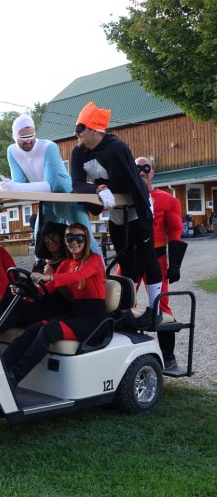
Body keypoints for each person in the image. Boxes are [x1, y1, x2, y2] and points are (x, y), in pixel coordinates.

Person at [71, 101, 163, 330]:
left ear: (94, 129)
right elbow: (77, 184)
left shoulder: (117, 148)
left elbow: (134, 182)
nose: (77, 134)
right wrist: (98, 190)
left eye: (81, 128)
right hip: (114, 207)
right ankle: (127, 307)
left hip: (135, 204)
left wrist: (144, 215)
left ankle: (155, 309)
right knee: (124, 258)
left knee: (147, 254)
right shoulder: (78, 152)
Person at [2, 223, 106, 386]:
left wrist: (50, 277)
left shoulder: (94, 260)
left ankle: (15, 375)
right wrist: (25, 290)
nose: (74, 242)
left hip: (93, 319)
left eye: (79, 238)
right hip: (76, 313)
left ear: (86, 240)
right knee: (32, 329)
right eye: (69, 237)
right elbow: (47, 290)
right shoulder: (65, 264)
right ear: (65, 240)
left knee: (48, 331)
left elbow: (78, 276)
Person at [0, 113, 102, 255]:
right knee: (40, 240)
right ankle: (42, 275)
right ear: (14, 137)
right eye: (23, 139)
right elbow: (19, 183)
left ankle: (102, 276)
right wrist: (8, 187)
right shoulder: (12, 151)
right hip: (47, 201)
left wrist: (14, 187)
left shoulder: (49, 147)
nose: (28, 142)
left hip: (69, 198)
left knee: (87, 241)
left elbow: (49, 186)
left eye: (31, 137)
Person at [135, 157, 187, 369]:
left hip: (157, 256)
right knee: (120, 299)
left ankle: (168, 356)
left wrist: (175, 264)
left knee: (161, 304)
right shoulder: (126, 197)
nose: (141, 172)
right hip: (133, 256)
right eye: (137, 168)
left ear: (153, 171)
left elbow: (175, 230)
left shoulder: (167, 200)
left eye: (145, 168)